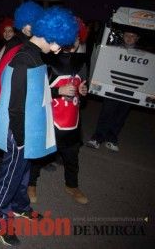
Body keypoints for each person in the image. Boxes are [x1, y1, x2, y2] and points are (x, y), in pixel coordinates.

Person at [0, 6, 78, 245]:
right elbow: (15, 104)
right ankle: (0, 220)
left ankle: (20, 206)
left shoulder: (36, 54)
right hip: (19, 129)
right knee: (9, 176)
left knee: (24, 171)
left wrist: (57, 90)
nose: (61, 47)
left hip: (30, 126)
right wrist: (19, 137)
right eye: (60, 42)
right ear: (51, 33)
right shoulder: (24, 58)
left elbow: (36, 89)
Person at [28, 18, 90, 205]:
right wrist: (57, 91)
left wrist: (84, 91)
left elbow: (84, 88)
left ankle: (72, 185)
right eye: (70, 38)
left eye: (77, 38)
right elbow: (35, 91)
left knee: (72, 155)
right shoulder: (48, 58)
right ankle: (31, 184)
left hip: (72, 118)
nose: (73, 42)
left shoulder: (82, 62)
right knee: (40, 154)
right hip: (49, 118)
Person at [85, 31, 140, 152]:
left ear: (137, 38)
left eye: (132, 36)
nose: (129, 38)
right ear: (123, 37)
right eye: (127, 35)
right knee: (106, 113)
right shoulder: (113, 50)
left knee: (121, 116)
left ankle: (111, 139)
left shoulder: (143, 55)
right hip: (112, 87)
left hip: (130, 89)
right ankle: (97, 138)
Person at [0, 1, 44, 107]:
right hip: (14, 92)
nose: (31, 27)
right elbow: (1, 69)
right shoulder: (15, 42)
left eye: (34, 23)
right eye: (28, 23)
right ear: (21, 23)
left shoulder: (32, 40)